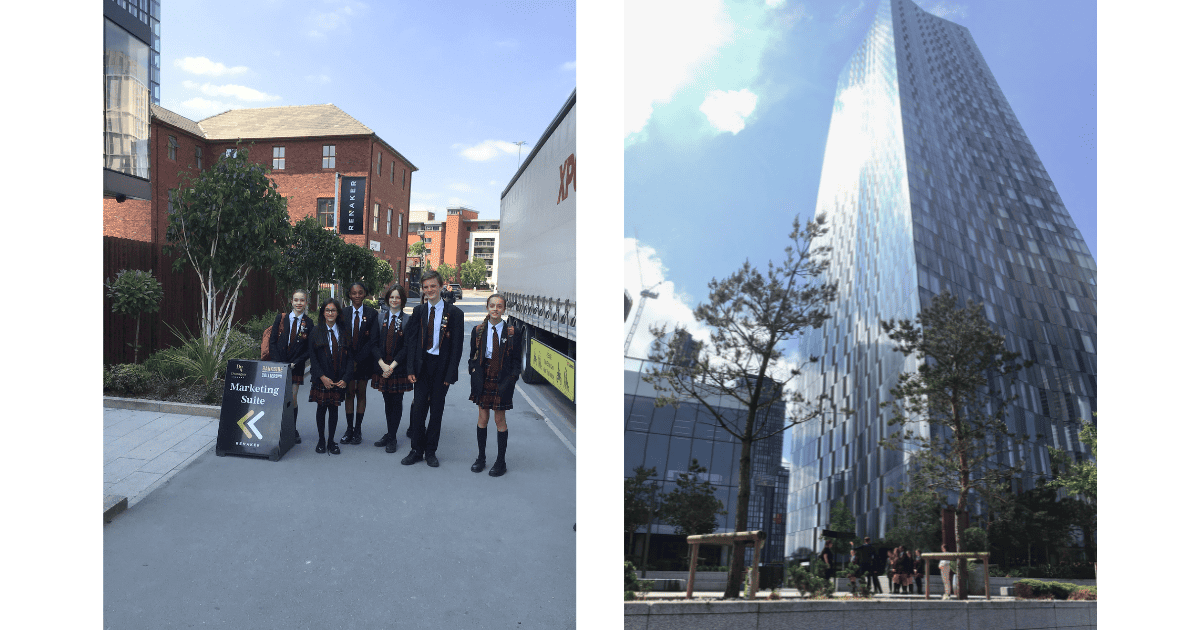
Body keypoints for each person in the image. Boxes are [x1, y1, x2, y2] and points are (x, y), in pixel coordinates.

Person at [402, 270, 464, 468]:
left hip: (441, 367)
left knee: (436, 410)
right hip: (421, 366)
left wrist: (450, 373)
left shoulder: (454, 314)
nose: (429, 290)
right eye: (426, 287)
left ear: (440, 286)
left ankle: (431, 452)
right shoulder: (419, 312)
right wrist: (410, 368)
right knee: (419, 409)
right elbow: (411, 342)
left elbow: (457, 347)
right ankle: (415, 450)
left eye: (433, 286)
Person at [467, 294, 523, 476]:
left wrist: (512, 378)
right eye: (492, 305)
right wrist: (473, 373)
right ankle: (481, 458)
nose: (495, 309)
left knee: (500, 420)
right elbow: (472, 356)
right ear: (487, 307)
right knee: (482, 418)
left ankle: (501, 461)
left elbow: (516, 361)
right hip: (483, 378)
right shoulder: (478, 330)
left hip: (503, 379)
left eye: (499, 306)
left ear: (504, 310)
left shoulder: (513, 332)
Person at [268, 289, 313, 445]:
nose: (299, 303)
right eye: (296, 300)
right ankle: (275, 429)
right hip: (279, 364)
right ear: (291, 301)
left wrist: (297, 362)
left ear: (306, 303)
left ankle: (292, 429)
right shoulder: (281, 318)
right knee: (278, 398)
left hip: (296, 366)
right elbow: (272, 341)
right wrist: (278, 362)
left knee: (292, 398)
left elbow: (309, 349)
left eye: (302, 300)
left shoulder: (309, 323)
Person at [308, 298, 352, 455]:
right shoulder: (315, 331)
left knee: (334, 409)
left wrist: (346, 378)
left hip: (338, 378)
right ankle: (321, 440)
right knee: (321, 409)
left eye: (333, 310)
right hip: (322, 379)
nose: (330, 313)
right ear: (323, 312)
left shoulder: (345, 330)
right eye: (327, 310)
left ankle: (331, 441)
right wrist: (322, 377)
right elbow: (313, 358)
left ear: (338, 312)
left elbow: (351, 357)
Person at [371, 284, 411, 453]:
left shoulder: (408, 320)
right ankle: (390, 432)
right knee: (387, 401)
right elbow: (373, 343)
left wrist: (392, 366)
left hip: (397, 368)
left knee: (397, 401)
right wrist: (382, 364)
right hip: (382, 366)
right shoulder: (380, 318)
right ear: (387, 299)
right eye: (392, 297)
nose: (394, 300)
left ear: (402, 300)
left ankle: (393, 437)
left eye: (398, 297)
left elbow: (407, 347)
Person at [339, 282, 379, 446]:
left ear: (365, 294)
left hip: (364, 361)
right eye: (354, 293)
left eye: (360, 292)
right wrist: (350, 360)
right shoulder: (343, 313)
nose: (357, 296)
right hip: (347, 360)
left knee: (361, 393)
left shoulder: (371, 313)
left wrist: (359, 359)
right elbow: (340, 337)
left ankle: (358, 429)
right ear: (349, 295)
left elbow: (372, 340)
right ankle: (349, 429)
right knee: (349, 393)